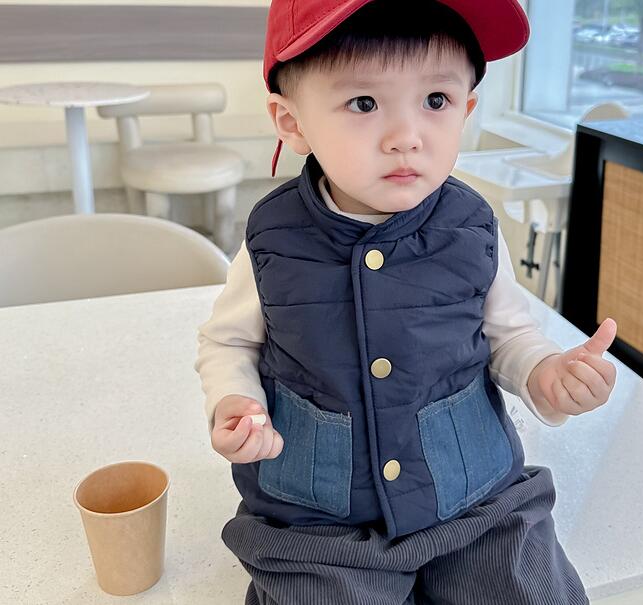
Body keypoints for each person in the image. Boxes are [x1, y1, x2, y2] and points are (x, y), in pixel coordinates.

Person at [195, 1, 618, 602]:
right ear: (292, 122)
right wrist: (234, 401)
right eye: (363, 103)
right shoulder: (273, 236)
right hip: (320, 519)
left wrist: (545, 373)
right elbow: (228, 342)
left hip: (474, 497)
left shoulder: (472, 225)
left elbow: (508, 336)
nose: (406, 138)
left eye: (436, 100)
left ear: (466, 109)